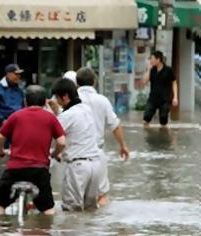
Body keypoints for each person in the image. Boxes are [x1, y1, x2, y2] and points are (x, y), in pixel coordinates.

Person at [0, 85, 66, 216]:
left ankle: (1, 230)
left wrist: (0, 152)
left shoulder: (15, 116)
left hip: (15, 171)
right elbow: (61, 142)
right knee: (48, 210)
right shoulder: (50, 118)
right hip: (39, 171)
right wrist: (54, 154)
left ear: (25, 101)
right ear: (44, 102)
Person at [76, 67, 129, 205]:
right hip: (97, 154)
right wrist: (123, 146)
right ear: (94, 82)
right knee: (102, 196)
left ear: (77, 83)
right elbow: (115, 125)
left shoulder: (72, 101)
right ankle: (99, 224)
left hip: (76, 156)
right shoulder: (102, 100)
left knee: (76, 199)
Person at [51, 79, 104, 211]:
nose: (56, 101)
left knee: (71, 211)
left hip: (78, 167)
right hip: (96, 165)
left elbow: (56, 137)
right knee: (91, 209)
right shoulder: (87, 109)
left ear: (65, 97)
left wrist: (55, 154)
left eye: (57, 98)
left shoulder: (68, 115)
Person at [0, 64, 24, 147]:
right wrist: (2, 119)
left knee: (17, 148)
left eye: (19, 74)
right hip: (3, 123)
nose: (18, 76)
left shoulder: (20, 89)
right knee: (2, 150)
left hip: (18, 124)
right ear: (8, 74)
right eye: (16, 74)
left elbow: (23, 106)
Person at [141, 51, 178, 128]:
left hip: (165, 99)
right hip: (153, 98)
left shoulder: (168, 70)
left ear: (158, 59)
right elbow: (144, 82)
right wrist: (148, 69)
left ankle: (164, 137)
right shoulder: (152, 70)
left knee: (163, 120)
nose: (150, 60)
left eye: (152, 58)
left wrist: (175, 97)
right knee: (146, 118)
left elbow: (174, 83)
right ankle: (147, 137)